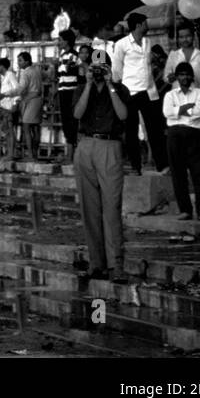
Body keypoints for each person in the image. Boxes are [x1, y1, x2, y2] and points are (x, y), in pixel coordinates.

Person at [71, 53, 129, 280]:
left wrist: (109, 84)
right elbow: (77, 113)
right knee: (89, 208)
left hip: (109, 145)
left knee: (112, 207)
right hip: (85, 145)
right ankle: (97, 264)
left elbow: (123, 114)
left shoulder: (120, 89)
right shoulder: (80, 89)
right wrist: (87, 85)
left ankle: (117, 264)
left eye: (101, 67)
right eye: (94, 67)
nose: (97, 71)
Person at [112, 12, 167, 173]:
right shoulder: (122, 44)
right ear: (138, 25)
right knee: (131, 130)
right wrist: (124, 87)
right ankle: (136, 166)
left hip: (149, 91)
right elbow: (116, 70)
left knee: (154, 129)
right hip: (131, 91)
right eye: (145, 23)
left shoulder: (148, 42)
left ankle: (161, 164)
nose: (147, 26)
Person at [164, 62, 200, 222]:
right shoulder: (170, 95)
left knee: (198, 173)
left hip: (194, 135)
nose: (184, 77)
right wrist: (186, 108)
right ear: (177, 77)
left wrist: (178, 110)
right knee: (178, 174)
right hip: (174, 135)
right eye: (181, 74)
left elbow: (199, 111)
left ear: (192, 76)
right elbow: (167, 113)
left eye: (187, 74)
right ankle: (185, 210)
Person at [3, 52, 43, 160]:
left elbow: (20, 89)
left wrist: (7, 93)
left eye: (20, 60)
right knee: (35, 129)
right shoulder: (37, 70)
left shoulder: (26, 73)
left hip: (30, 100)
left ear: (27, 61)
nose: (18, 63)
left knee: (26, 127)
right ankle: (35, 154)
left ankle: (30, 155)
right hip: (38, 99)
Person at [55, 30, 82, 159]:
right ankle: (70, 153)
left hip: (70, 91)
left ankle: (71, 154)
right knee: (66, 120)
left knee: (71, 121)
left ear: (66, 41)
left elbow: (71, 72)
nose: (58, 42)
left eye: (60, 39)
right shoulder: (63, 56)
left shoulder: (72, 56)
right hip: (63, 91)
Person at [164, 23, 200, 87]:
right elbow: (166, 76)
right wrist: (171, 78)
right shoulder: (174, 54)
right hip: (178, 92)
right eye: (181, 37)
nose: (185, 39)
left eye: (188, 36)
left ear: (193, 36)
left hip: (197, 92)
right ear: (178, 39)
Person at [0, 57, 18, 159]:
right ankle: (10, 153)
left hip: (9, 107)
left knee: (10, 130)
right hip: (4, 107)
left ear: (2, 66)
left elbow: (17, 90)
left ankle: (11, 154)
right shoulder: (4, 77)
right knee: (7, 131)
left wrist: (15, 104)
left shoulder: (10, 75)